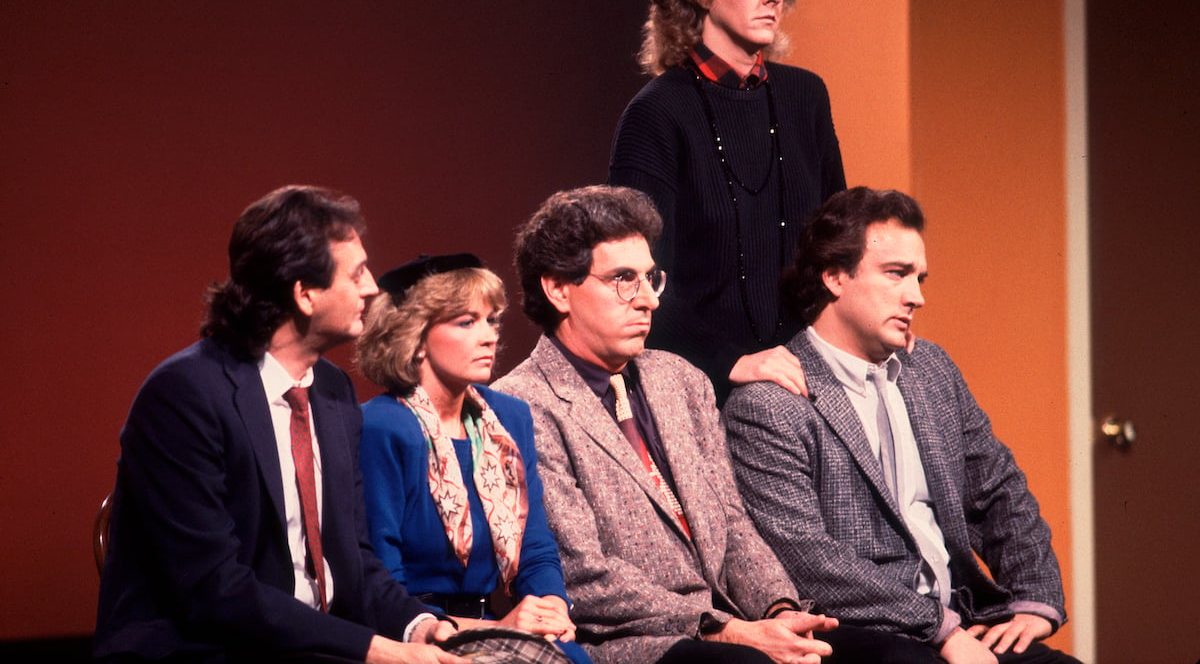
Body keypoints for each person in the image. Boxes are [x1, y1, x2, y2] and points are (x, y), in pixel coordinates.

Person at [94, 186, 465, 664]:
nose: (373, 287)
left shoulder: (332, 390)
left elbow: (352, 556)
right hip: (206, 649)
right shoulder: (185, 394)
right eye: (355, 274)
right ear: (304, 293)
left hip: (310, 646)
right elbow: (214, 589)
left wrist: (417, 626)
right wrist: (373, 649)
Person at [723, 187, 1079, 664]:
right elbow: (807, 558)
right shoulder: (770, 401)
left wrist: (1036, 597)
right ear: (834, 277)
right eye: (896, 274)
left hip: (962, 614)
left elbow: (999, 490)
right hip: (861, 633)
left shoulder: (930, 369)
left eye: (920, 277)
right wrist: (943, 632)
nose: (917, 297)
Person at [493, 185, 838, 664]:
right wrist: (728, 630)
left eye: (650, 278)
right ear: (558, 289)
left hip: (733, 619)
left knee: (871, 655)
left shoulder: (681, 380)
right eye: (622, 279)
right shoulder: (521, 404)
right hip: (631, 641)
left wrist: (778, 610)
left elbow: (734, 526)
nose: (648, 301)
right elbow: (584, 575)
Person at [608, 0, 847, 405]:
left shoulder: (806, 96)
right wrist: (732, 360)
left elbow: (838, 246)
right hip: (703, 384)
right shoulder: (656, 113)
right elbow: (634, 278)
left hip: (811, 376)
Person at [355, 252, 592, 664]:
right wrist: (497, 629)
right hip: (417, 635)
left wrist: (551, 605)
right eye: (466, 322)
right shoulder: (382, 427)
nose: (489, 336)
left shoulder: (509, 417)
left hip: (500, 626)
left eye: (492, 320)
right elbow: (380, 585)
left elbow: (534, 546)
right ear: (413, 335)